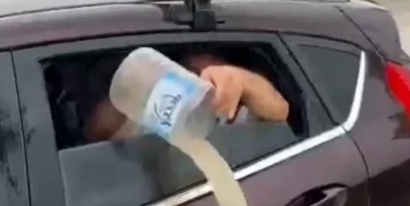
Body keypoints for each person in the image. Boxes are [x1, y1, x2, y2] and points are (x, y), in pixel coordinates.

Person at [83, 49, 291, 143]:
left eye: (213, 69)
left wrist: (242, 81)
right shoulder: (148, 117)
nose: (206, 76)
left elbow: (280, 110)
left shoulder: (228, 111)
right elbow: (100, 144)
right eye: (193, 70)